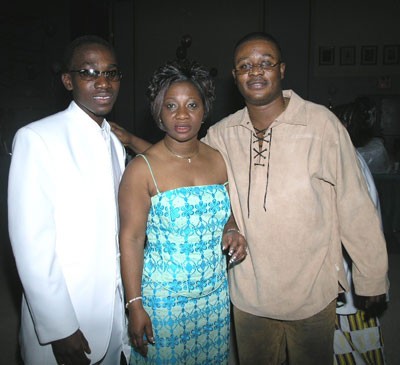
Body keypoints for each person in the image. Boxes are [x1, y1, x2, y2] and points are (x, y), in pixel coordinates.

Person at [112, 32, 388, 365]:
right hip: (248, 296)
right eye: (245, 65)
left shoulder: (321, 125)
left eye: (265, 63)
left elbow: (355, 204)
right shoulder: (223, 134)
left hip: (311, 292)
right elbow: (175, 155)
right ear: (234, 76)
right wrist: (131, 141)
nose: (255, 72)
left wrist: (372, 276)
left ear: (282, 69)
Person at [8, 35, 129, 365]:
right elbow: (32, 244)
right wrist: (59, 327)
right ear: (67, 80)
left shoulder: (115, 143)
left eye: (112, 73)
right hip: (67, 320)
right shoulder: (38, 138)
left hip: (112, 317)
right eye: (89, 73)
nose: (103, 82)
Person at [118, 58, 247, 364]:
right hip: (164, 302)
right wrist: (134, 305)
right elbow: (132, 239)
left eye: (192, 105)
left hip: (214, 298)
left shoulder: (218, 159)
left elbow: (225, 213)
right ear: (159, 114)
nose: (182, 115)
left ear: (205, 111)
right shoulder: (141, 169)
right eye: (171, 106)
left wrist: (231, 228)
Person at [333, 102, 388, 364]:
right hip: (350, 282)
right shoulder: (348, 157)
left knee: (358, 351)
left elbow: (360, 231)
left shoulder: (346, 163)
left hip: (350, 284)